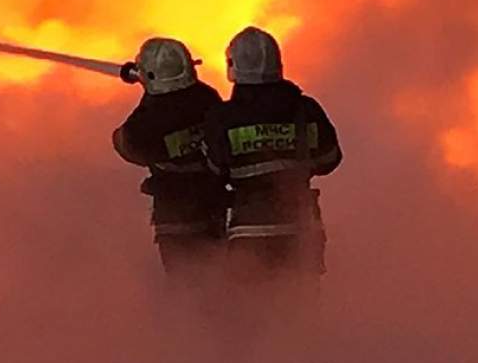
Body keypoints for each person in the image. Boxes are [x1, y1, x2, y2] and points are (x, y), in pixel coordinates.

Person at [203, 26, 341, 298]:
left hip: (250, 233)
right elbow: (330, 159)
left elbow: (215, 170)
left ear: (233, 66)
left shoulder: (222, 117)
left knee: (254, 315)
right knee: (301, 312)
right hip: (301, 231)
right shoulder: (306, 109)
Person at [113, 37, 226, 282]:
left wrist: (148, 96)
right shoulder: (207, 98)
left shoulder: (148, 120)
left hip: (175, 220)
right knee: (223, 280)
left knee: (188, 289)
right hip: (217, 209)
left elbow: (124, 144)